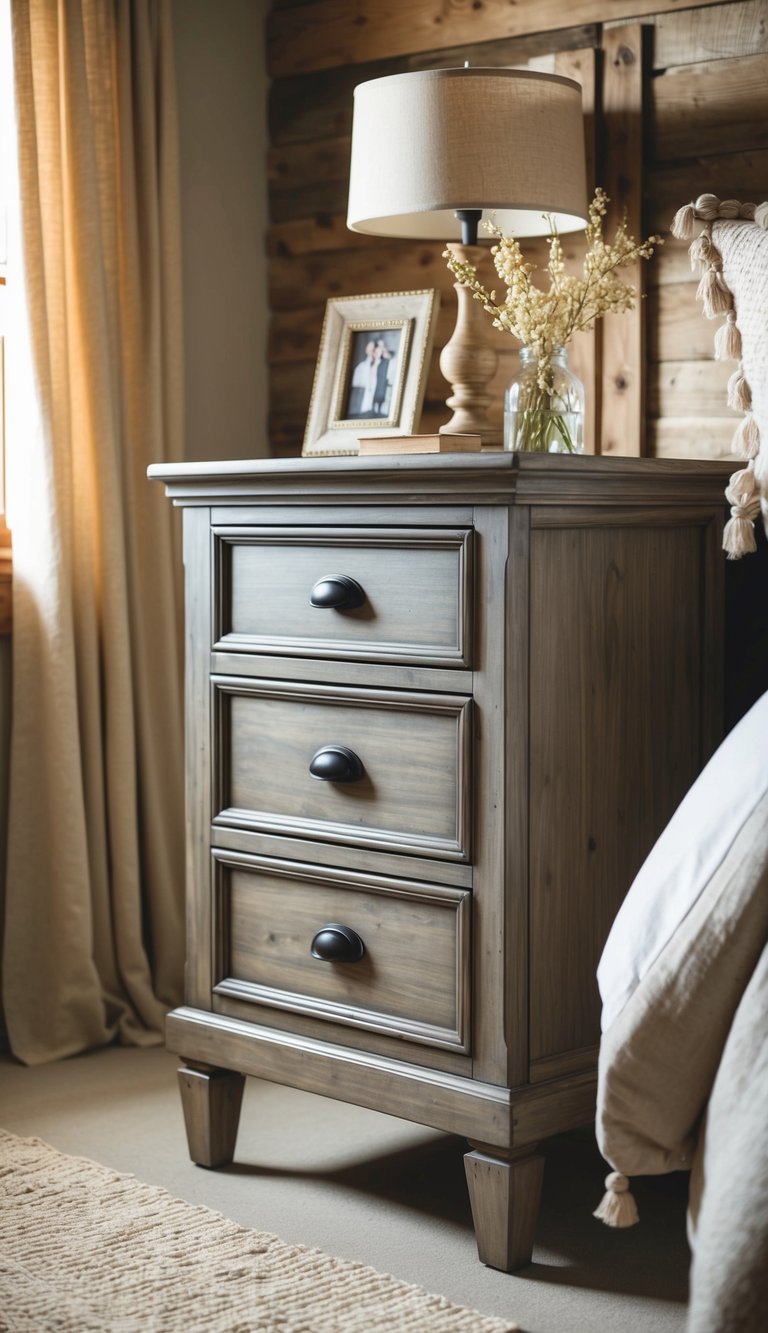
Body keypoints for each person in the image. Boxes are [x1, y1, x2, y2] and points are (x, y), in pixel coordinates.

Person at [348, 340, 378, 416]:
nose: (370, 349)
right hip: (362, 391)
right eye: (369, 347)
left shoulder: (376, 362)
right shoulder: (362, 365)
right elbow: (356, 382)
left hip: (372, 389)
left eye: (372, 348)